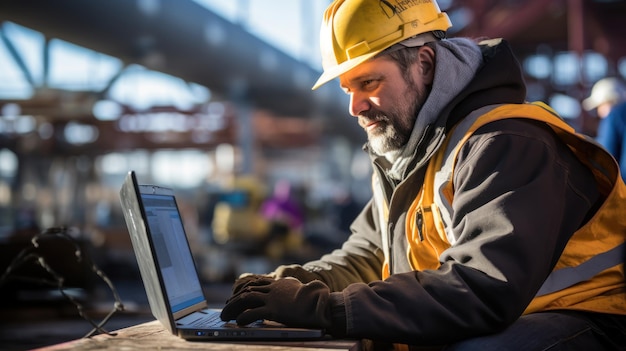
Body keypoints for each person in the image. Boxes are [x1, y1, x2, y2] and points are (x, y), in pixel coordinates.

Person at [220, 0, 626, 349]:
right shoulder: (408, 154)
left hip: (588, 318)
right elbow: (369, 255)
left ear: (425, 64)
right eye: (348, 89)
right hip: (507, 319)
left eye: (369, 82)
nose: (355, 106)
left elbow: (481, 288)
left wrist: (324, 308)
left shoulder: (506, 142)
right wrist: (297, 283)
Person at [583, 77, 626, 182]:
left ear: (611, 101)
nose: (599, 112)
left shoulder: (614, 116)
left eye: (600, 106)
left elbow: (605, 160)